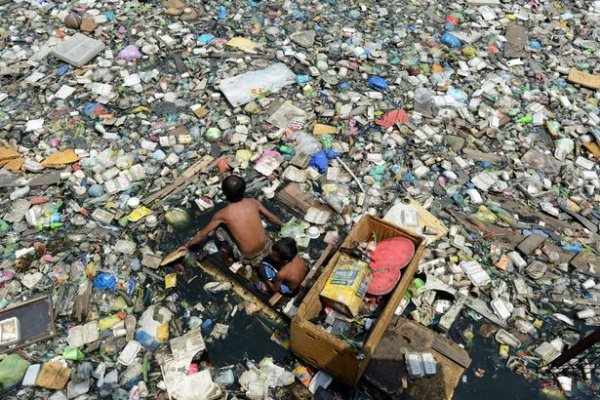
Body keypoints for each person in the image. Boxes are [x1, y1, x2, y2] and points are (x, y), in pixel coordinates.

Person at [179, 175, 284, 265]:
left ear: (225, 193)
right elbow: (271, 217)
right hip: (267, 247)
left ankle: (229, 249)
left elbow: (202, 235)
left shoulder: (222, 214)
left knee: (221, 228)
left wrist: (187, 245)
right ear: (243, 190)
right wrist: (282, 224)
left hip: (248, 257)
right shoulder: (253, 202)